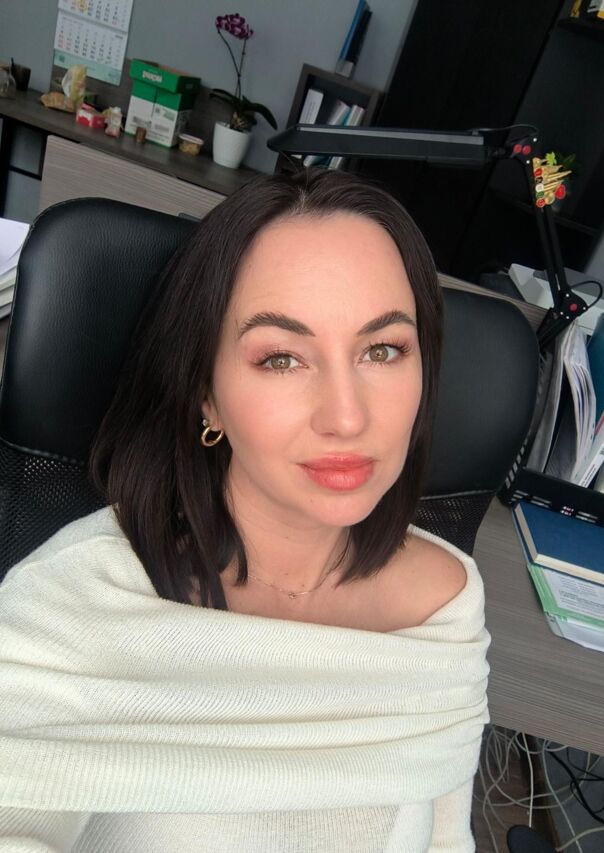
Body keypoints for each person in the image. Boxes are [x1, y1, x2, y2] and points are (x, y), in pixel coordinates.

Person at [0, 168, 490, 852]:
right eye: (282, 358)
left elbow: (444, 838)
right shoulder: (73, 604)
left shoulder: (446, 601)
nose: (347, 417)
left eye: (383, 350)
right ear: (207, 394)